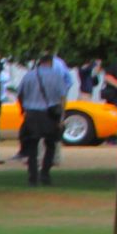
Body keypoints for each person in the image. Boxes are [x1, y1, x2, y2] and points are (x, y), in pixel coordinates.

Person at [16, 53, 68, 185]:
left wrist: (23, 109)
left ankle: (32, 176)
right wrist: (62, 116)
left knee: (32, 146)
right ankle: (45, 173)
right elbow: (62, 97)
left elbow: (20, 94)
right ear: (51, 63)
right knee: (50, 145)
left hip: (32, 114)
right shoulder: (57, 77)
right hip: (50, 114)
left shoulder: (29, 75)